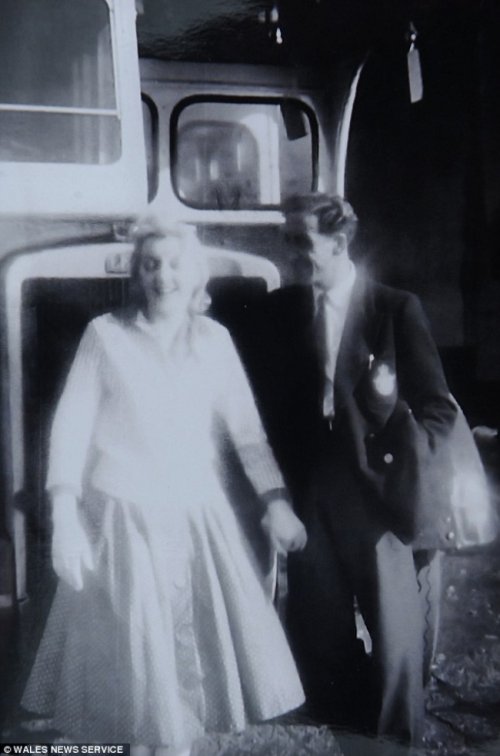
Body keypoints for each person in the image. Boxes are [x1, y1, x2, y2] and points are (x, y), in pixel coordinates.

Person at [21, 220, 307, 755]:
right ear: (137, 274)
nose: (163, 276)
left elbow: (248, 435)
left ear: (194, 272)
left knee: (189, 664)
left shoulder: (215, 341)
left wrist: (276, 502)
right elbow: (72, 427)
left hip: (196, 518)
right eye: (150, 265)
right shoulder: (105, 335)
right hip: (122, 520)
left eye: (174, 264)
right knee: (135, 674)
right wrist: (64, 518)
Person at [240, 194, 457, 747]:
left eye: (301, 241)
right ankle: (354, 740)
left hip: (376, 496)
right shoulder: (278, 311)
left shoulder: (394, 309)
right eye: (286, 240)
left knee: (395, 639)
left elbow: (438, 408)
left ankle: (394, 744)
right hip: (309, 490)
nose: (290, 254)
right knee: (317, 637)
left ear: (338, 243)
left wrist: (407, 471)